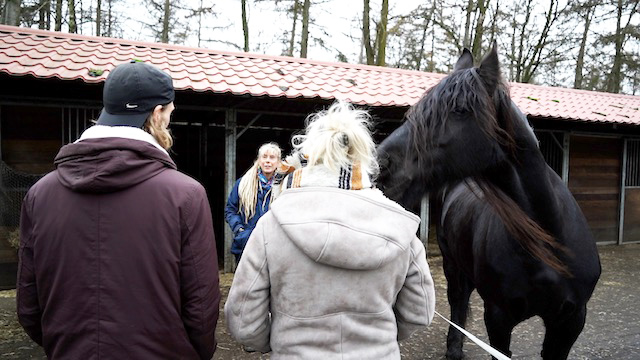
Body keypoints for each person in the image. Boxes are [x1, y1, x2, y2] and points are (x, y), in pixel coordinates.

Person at [16, 61, 221, 359]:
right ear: (156, 114)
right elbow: (201, 306)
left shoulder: (40, 194)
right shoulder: (186, 194)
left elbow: (28, 303)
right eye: (169, 112)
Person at [224, 101, 436, 359]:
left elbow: (243, 318)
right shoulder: (400, 226)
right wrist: (378, 339)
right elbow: (420, 312)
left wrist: (279, 341)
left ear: (309, 156)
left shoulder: (272, 224)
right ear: (362, 157)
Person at [224, 142, 281, 264]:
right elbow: (230, 210)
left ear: (278, 162)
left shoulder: (284, 186)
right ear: (258, 160)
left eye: (272, 158)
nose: (267, 161)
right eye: (264, 157)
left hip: (275, 243)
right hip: (247, 241)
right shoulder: (243, 183)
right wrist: (240, 230)